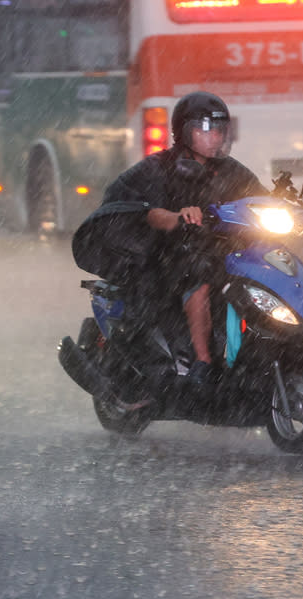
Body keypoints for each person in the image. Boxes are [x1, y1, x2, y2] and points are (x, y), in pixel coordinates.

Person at [75, 91, 268, 390]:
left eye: (219, 129)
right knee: (199, 273)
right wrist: (179, 216)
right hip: (166, 256)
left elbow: (260, 201)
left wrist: (293, 212)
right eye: (206, 129)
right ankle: (202, 362)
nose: (215, 136)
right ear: (185, 132)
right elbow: (147, 212)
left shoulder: (232, 170)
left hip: (221, 252)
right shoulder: (158, 168)